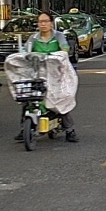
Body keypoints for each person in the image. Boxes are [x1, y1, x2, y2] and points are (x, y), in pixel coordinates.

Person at [23, 10, 79, 142]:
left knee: (61, 101)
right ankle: (24, 128)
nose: (43, 24)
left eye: (45, 21)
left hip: (57, 75)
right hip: (38, 74)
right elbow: (26, 51)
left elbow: (65, 49)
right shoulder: (33, 38)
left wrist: (57, 55)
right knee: (29, 99)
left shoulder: (58, 36)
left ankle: (70, 130)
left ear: (51, 23)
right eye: (40, 22)